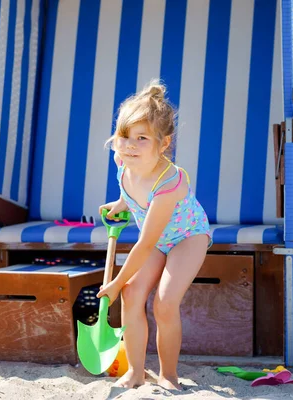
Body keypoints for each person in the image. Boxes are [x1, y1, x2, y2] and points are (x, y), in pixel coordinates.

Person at [97, 80, 212, 390]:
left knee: (164, 301)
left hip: (187, 236)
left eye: (141, 138)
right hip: (158, 240)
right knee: (132, 294)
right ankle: (135, 372)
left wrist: (115, 282)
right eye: (123, 137)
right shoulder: (123, 160)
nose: (129, 145)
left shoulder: (169, 182)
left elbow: (145, 243)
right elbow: (129, 189)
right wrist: (121, 202)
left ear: (163, 144)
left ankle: (169, 375)